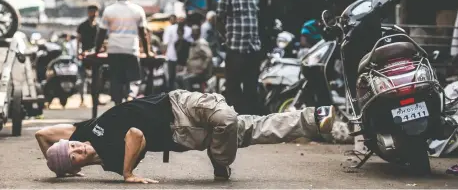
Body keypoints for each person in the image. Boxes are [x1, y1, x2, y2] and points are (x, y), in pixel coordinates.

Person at [35, 90, 335, 183]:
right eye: (73, 152)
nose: (76, 144)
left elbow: (42, 132)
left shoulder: (84, 133)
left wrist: (64, 167)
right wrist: (125, 173)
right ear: (76, 163)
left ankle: (219, 161)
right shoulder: (111, 161)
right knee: (251, 129)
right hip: (182, 135)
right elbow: (135, 137)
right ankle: (313, 120)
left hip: (178, 103)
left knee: (227, 119)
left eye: (70, 143)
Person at [216, 0, 264, 115]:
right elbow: (219, 21)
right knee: (233, 89)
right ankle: (235, 121)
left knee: (251, 88)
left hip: (253, 49)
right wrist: (226, 40)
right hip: (235, 50)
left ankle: (250, 121)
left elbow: (260, 18)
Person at [91, 0, 151, 106]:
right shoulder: (137, 10)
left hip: (114, 50)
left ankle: (117, 104)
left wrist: (96, 50)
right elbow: (143, 33)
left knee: (116, 79)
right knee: (134, 79)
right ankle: (130, 96)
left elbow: (101, 33)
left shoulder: (109, 10)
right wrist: (147, 51)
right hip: (131, 49)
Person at [76, 5, 101, 107]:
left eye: (95, 12)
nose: (93, 14)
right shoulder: (82, 26)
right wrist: (78, 53)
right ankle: (82, 100)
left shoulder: (99, 26)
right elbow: (78, 41)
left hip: (96, 57)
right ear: (88, 12)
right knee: (82, 79)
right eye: (91, 11)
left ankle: (96, 99)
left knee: (97, 80)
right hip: (84, 56)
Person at [176, 25, 213, 91]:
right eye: (192, 32)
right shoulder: (194, 42)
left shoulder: (202, 43)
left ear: (199, 33)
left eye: (195, 32)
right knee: (178, 77)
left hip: (200, 73)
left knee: (186, 79)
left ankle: (190, 98)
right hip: (192, 71)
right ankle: (182, 96)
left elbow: (209, 56)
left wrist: (203, 68)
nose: (193, 34)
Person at [162, 13, 192, 90]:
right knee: (171, 77)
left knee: (182, 77)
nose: (181, 21)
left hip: (183, 58)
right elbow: (165, 42)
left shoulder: (188, 30)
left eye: (183, 19)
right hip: (172, 56)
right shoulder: (170, 29)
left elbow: (190, 43)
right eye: (179, 19)